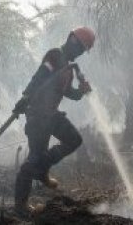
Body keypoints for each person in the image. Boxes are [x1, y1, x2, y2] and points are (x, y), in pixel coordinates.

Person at [12, 26, 96, 216]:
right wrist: (25, 98)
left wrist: (81, 91)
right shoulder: (55, 55)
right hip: (37, 116)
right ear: (72, 41)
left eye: (83, 51)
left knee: (74, 140)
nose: (80, 53)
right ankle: (20, 206)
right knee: (34, 158)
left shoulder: (68, 68)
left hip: (51, 115)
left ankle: (42, 169)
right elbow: (39, 77)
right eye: (80, 48)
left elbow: (69, 93)